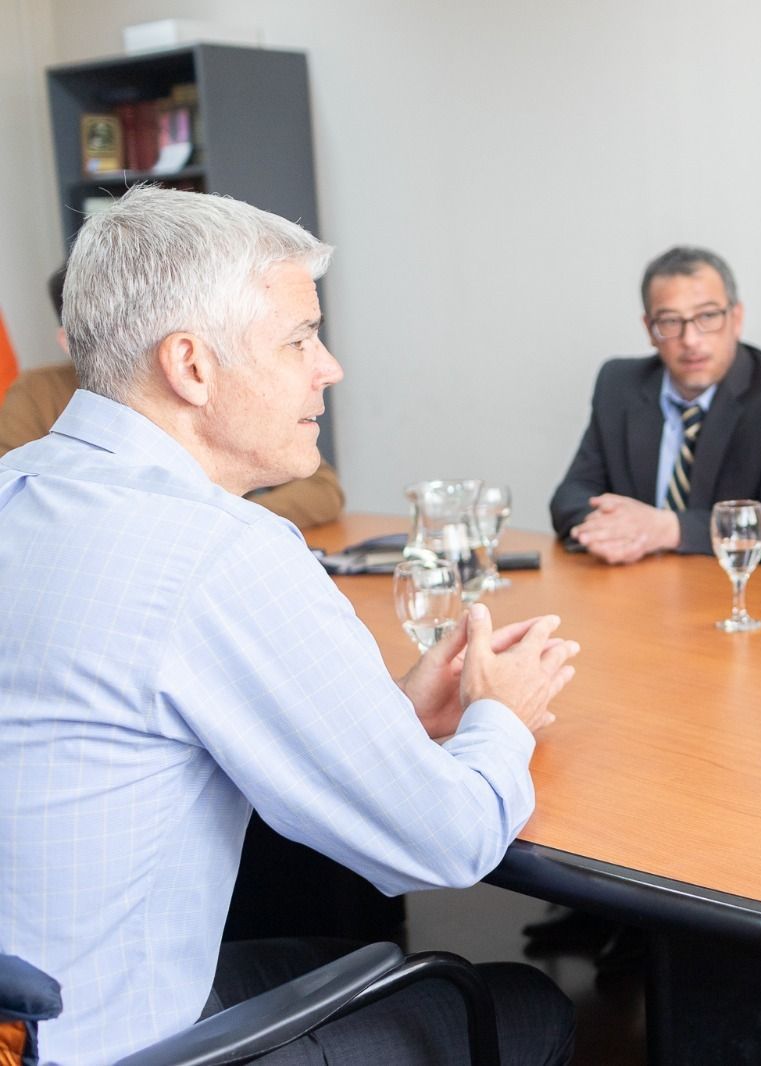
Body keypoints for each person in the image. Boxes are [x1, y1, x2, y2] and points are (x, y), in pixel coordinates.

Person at [0, 187, 579, 1065]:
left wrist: (384, 711)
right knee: (525, 1006)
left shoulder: (18, 490)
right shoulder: (220, 551)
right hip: (112, 1044)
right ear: (191, 367)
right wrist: (505, 714)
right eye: (300, 339)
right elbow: (446, 842)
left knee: (335, 947)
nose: (330, 367)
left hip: (30, 1010)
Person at [549, 246, 761, 569]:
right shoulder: (619, 384)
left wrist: (668, 529)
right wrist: (618, 530)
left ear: (736, 318)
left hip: (733, 597)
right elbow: (570, 497)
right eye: (670, 321)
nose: (690, 339)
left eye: (707, 317)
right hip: (634, 588)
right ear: (650, 330)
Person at [0, 263, 345, 530]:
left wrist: (225, 520)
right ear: (72, 342)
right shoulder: (37, 392)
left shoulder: (223, 383)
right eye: (296, 342)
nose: (329, 370)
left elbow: (322, 489)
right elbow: (15, 497)